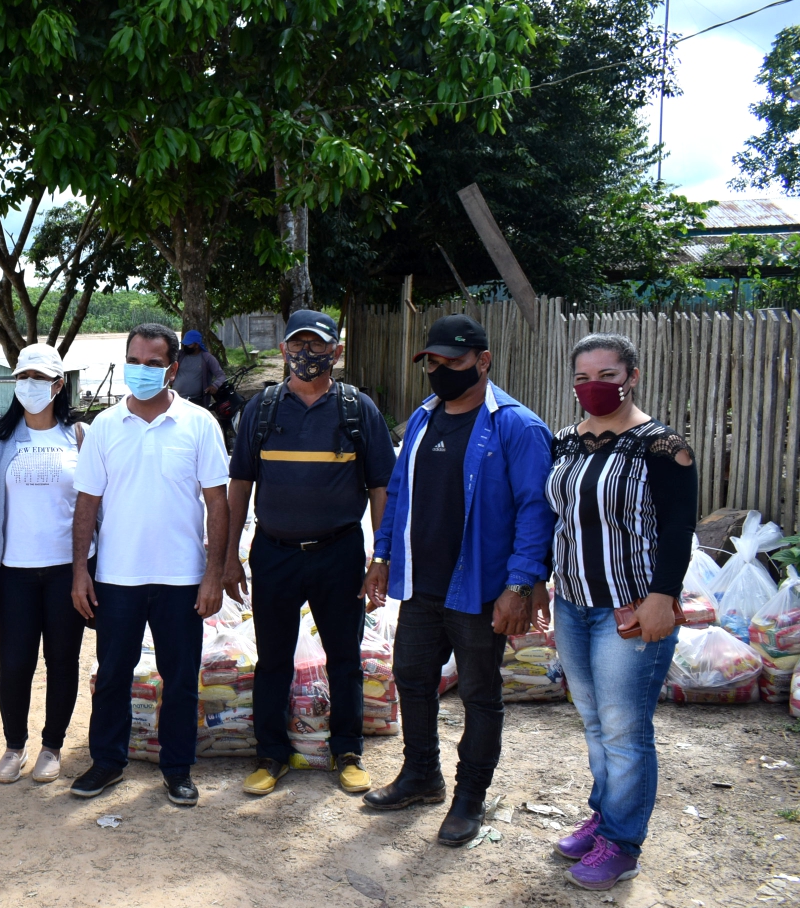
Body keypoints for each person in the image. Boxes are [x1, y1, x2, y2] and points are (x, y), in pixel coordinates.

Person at [360, 314, 555, 845]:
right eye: (433, 362)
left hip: (479, 588)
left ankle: (471, 794)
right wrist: (381, 557)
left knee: (478, 693)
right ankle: (422, 775)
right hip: (423, 585)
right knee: (412, 678)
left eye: (453, 361)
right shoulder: (423, 418)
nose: (441, 371)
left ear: (483, 361)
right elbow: (397, 496)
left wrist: (518, 586)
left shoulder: (518, 427)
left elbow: (536, 512)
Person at [545, 333, 696, 889]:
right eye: (584, 376)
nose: (594, 386)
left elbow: (679, 530)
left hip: (629, 611)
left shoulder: (662, 447)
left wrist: (664, 598)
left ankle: (623, 843)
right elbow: (556, 520)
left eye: (607, 375)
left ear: (630, 375)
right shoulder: (565, 443)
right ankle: (604, 819)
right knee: (593, 721)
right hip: (573, 604)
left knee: (625, 729)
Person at [223, 311, 396, 796]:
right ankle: (271, 755)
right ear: (283, 350)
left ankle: (347, 752)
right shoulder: (263, 409)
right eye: (297, 345)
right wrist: (230, 556)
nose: (307, 355)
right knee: (273, 659)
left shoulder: (357, 410)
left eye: (318, 347)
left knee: (344, 657)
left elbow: (383, 487)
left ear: (335, 353)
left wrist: (379, 558)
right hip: (273, 553)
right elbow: (240, 484)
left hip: (338, 553)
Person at [70, 323, 230, 806]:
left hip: (182, 578)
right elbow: (86, 505)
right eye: (134, 362)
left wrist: (213, 573)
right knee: (113, 671)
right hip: (117, 577)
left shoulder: (200, 424)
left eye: (153, 364)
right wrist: (81, 569)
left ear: (173, 370)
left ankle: (177, 768)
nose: (141, 371)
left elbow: (217, 506)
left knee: (180, 677)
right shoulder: (103, 426)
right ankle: (107, 762)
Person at [0, 344, 89, 785]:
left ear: (58, 385)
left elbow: (95, 505)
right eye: (23, 377)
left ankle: (52, 745)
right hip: (14, 573)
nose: (30, 386)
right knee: (15, 662)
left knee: (63, 660)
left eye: (40, 378)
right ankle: (14, 745)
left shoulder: (79, 437)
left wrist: (90, 566)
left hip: (67, 572)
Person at [173, 329, 226, 406]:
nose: (185, 347)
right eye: (185, 344)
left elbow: (221, 375)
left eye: (189, 345)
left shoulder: (207, 358)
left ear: (197, 345)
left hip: (195, 402)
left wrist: (215, 385)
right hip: (176, 399)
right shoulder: (180, 355)